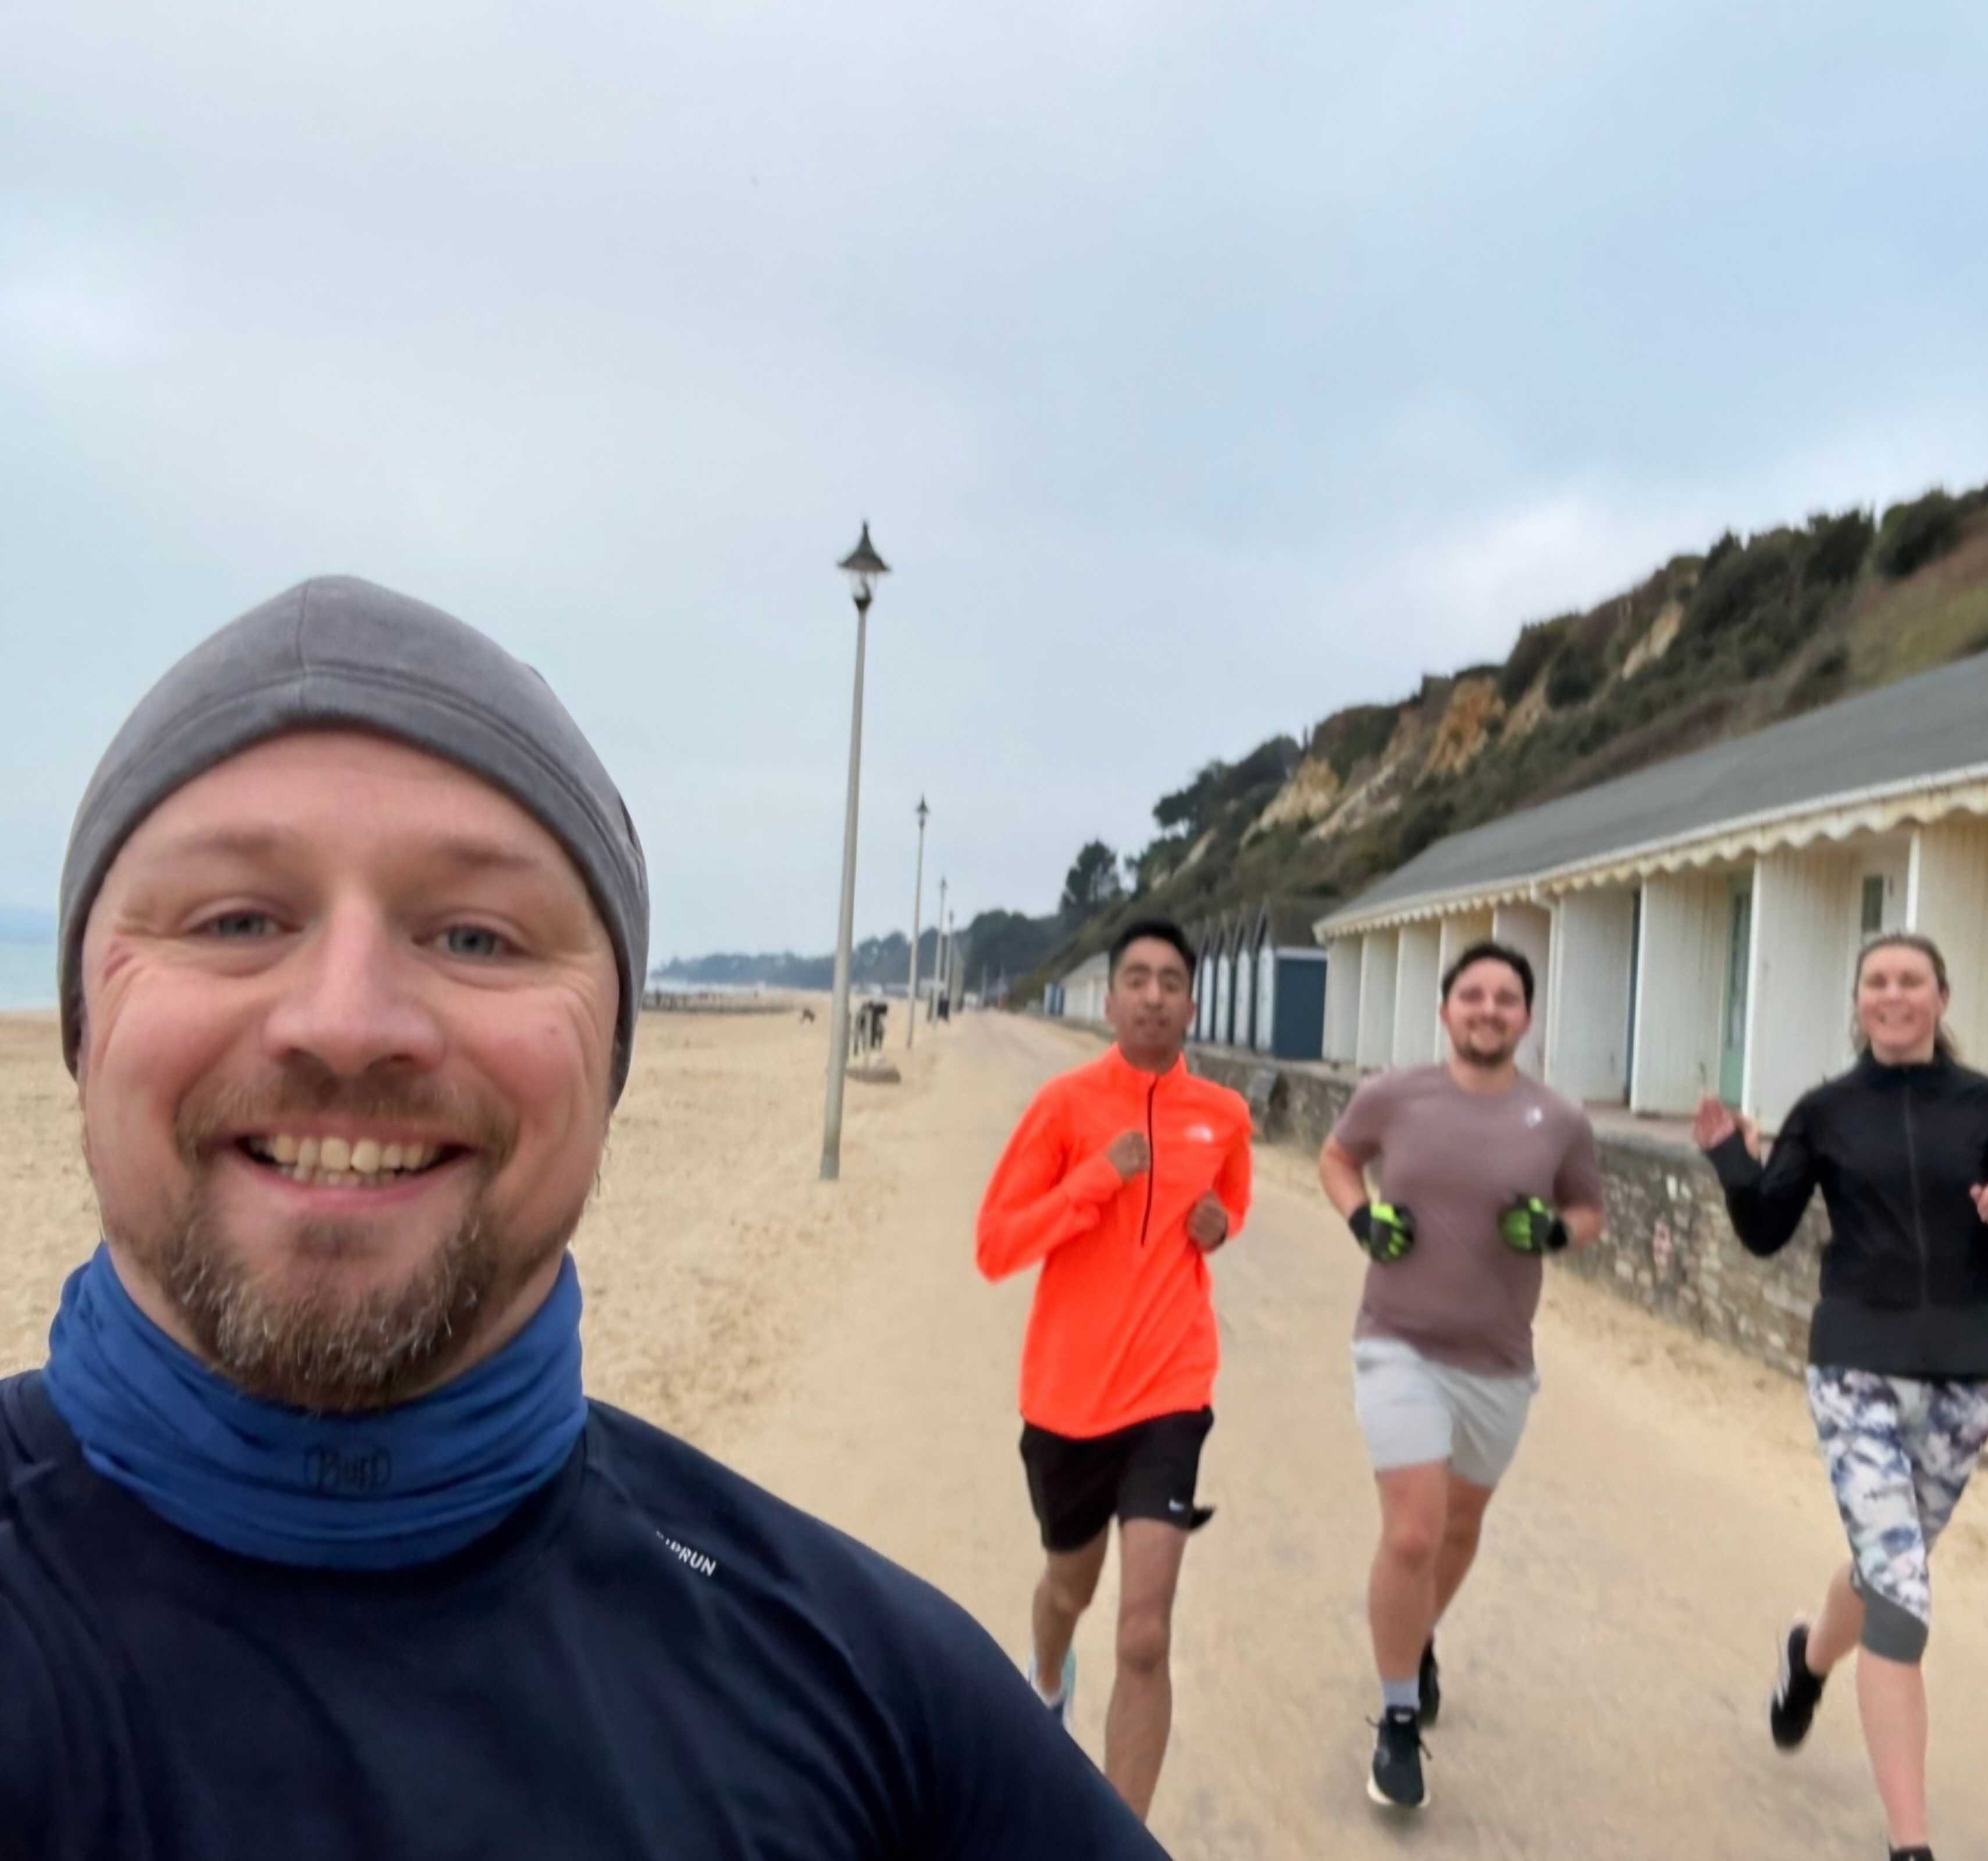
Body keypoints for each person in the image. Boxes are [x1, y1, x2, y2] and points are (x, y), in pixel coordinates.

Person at [0, 577, 1164, 1860]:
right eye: (234, 919)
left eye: (478, 936)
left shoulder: (876, 1696)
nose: (344, 1020)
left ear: (610, 1056)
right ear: (83, 1023)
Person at [1691, 931, 1988, 1861]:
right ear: (1857, 1003)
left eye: (1911, 981)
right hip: (1855, 1365)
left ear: (1941, 996)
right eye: (1876, 982)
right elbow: (1769, 1230)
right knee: (1901, 1597)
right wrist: (1736, 1160)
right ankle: (1910, 1846)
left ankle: (1807, 1660)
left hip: (1965, 1381)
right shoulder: (1826, 1112)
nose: (1894, 996)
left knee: (1883, 1571)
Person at [1314, 940, 1605, 1813]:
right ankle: (1399, 1722)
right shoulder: (1394, 1095)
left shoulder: (1558, 1119)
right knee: (1413, 1532)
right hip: (1397, 1340)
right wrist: (1363, 1220)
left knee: (1459, 1529)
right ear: (1445, 1012)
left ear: (1526, 1016)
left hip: (1499, 1362)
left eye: (1506, 998)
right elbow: (1337, 1158)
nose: (1489, 1009)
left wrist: (1556, 1234)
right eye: (1472, 995)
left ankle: (1418, 1635)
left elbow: (1588, 1207)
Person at [974, 919, 1253, 1821]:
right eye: (1136, 978)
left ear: (1192, 1004)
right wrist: (1098, 1177)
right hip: (1067, 1400)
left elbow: (1228, 1206)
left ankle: (1118, 1838)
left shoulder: (1225, 1116)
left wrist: (1220, 1226)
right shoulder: (1063, 1107)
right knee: (1069, 1589)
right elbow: (996, 1246)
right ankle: (1048, 1671)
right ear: (1109, 998)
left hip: (1172, 1390)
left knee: (1144, 1633)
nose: (1153, 995)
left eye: (1171, 981)